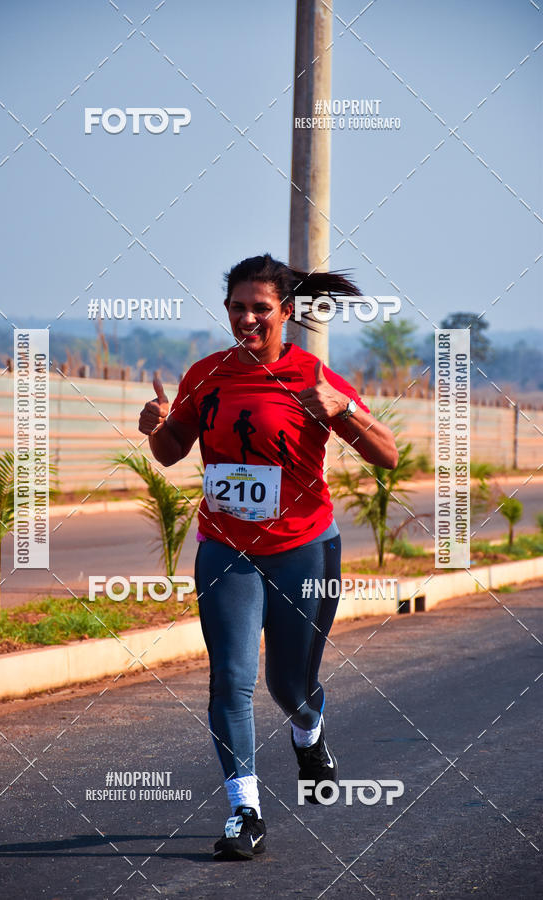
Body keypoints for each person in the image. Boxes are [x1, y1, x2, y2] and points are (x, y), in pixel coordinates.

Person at [138, 253, 398, 861]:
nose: (248, 317)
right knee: (230, 678)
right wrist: (155, 426)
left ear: (285, 311)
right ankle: (244, 811)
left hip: (303, 550)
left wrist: (344, 411)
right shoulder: (206, 375)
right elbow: (173, 451)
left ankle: (309, 732)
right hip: (225, 548)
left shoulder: (314, 377)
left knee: (289, 685)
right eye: (237, 307)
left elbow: (386, 455)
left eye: (261, 307)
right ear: (226, 310)